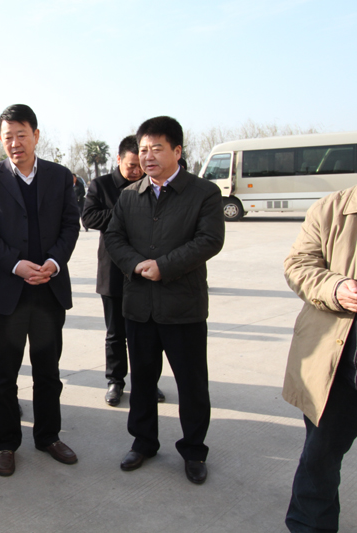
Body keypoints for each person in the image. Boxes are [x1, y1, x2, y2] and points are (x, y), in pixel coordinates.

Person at [104, 116, 224, 485]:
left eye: (157, 148)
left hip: (183, 307)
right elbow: (114, 237)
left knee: (191, 384)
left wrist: (164, 267)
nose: (148, 156)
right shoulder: (130, 195)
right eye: (143, 150)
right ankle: (143, 442)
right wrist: (136, 264)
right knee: (142, 380)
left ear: (177, 150)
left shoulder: (203, 193)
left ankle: (193, 449)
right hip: (139, 307)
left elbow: (209, 240)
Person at [0, 104, 80, 476]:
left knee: (48, 372)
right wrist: (16, 264)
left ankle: (48, 436)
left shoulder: (59, 176)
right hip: (6, 293)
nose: (15, 143)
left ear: (36, 135)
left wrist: (54, 261)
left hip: (49, 290)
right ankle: (5, 444)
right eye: (8, 137)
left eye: (21, 135)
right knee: (3, 376)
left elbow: (70, 225)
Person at [282, 132, 357, 532]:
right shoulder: (332, 210)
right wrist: (336, 287)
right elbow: (298, 264)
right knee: (320, 457)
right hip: (340, 359)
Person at [82, 136, 166, 407]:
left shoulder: (152, 183)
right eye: (131, 165)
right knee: (116, 333)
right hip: (113, 270)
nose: (136, 171)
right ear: (118, 160)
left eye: (139, 165)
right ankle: (115, 381)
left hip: (146, 269)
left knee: (147, 334)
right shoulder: (101, 185)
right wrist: (123, 212)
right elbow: (89, 217)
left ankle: (148, 382)